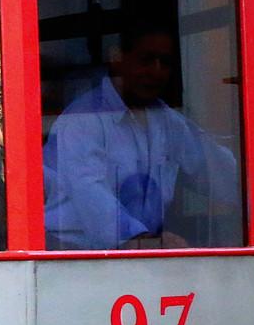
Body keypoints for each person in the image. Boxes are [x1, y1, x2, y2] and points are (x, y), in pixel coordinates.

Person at [42, 26, 243, 250]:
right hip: (72, 258)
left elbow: (213, 169)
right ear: (117, 58)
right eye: (146, 60)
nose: (156, 71)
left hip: (139, 254)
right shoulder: (83, 120)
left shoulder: (167, 120)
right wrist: (144, 240)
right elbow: (91, 194)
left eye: (164, 62)